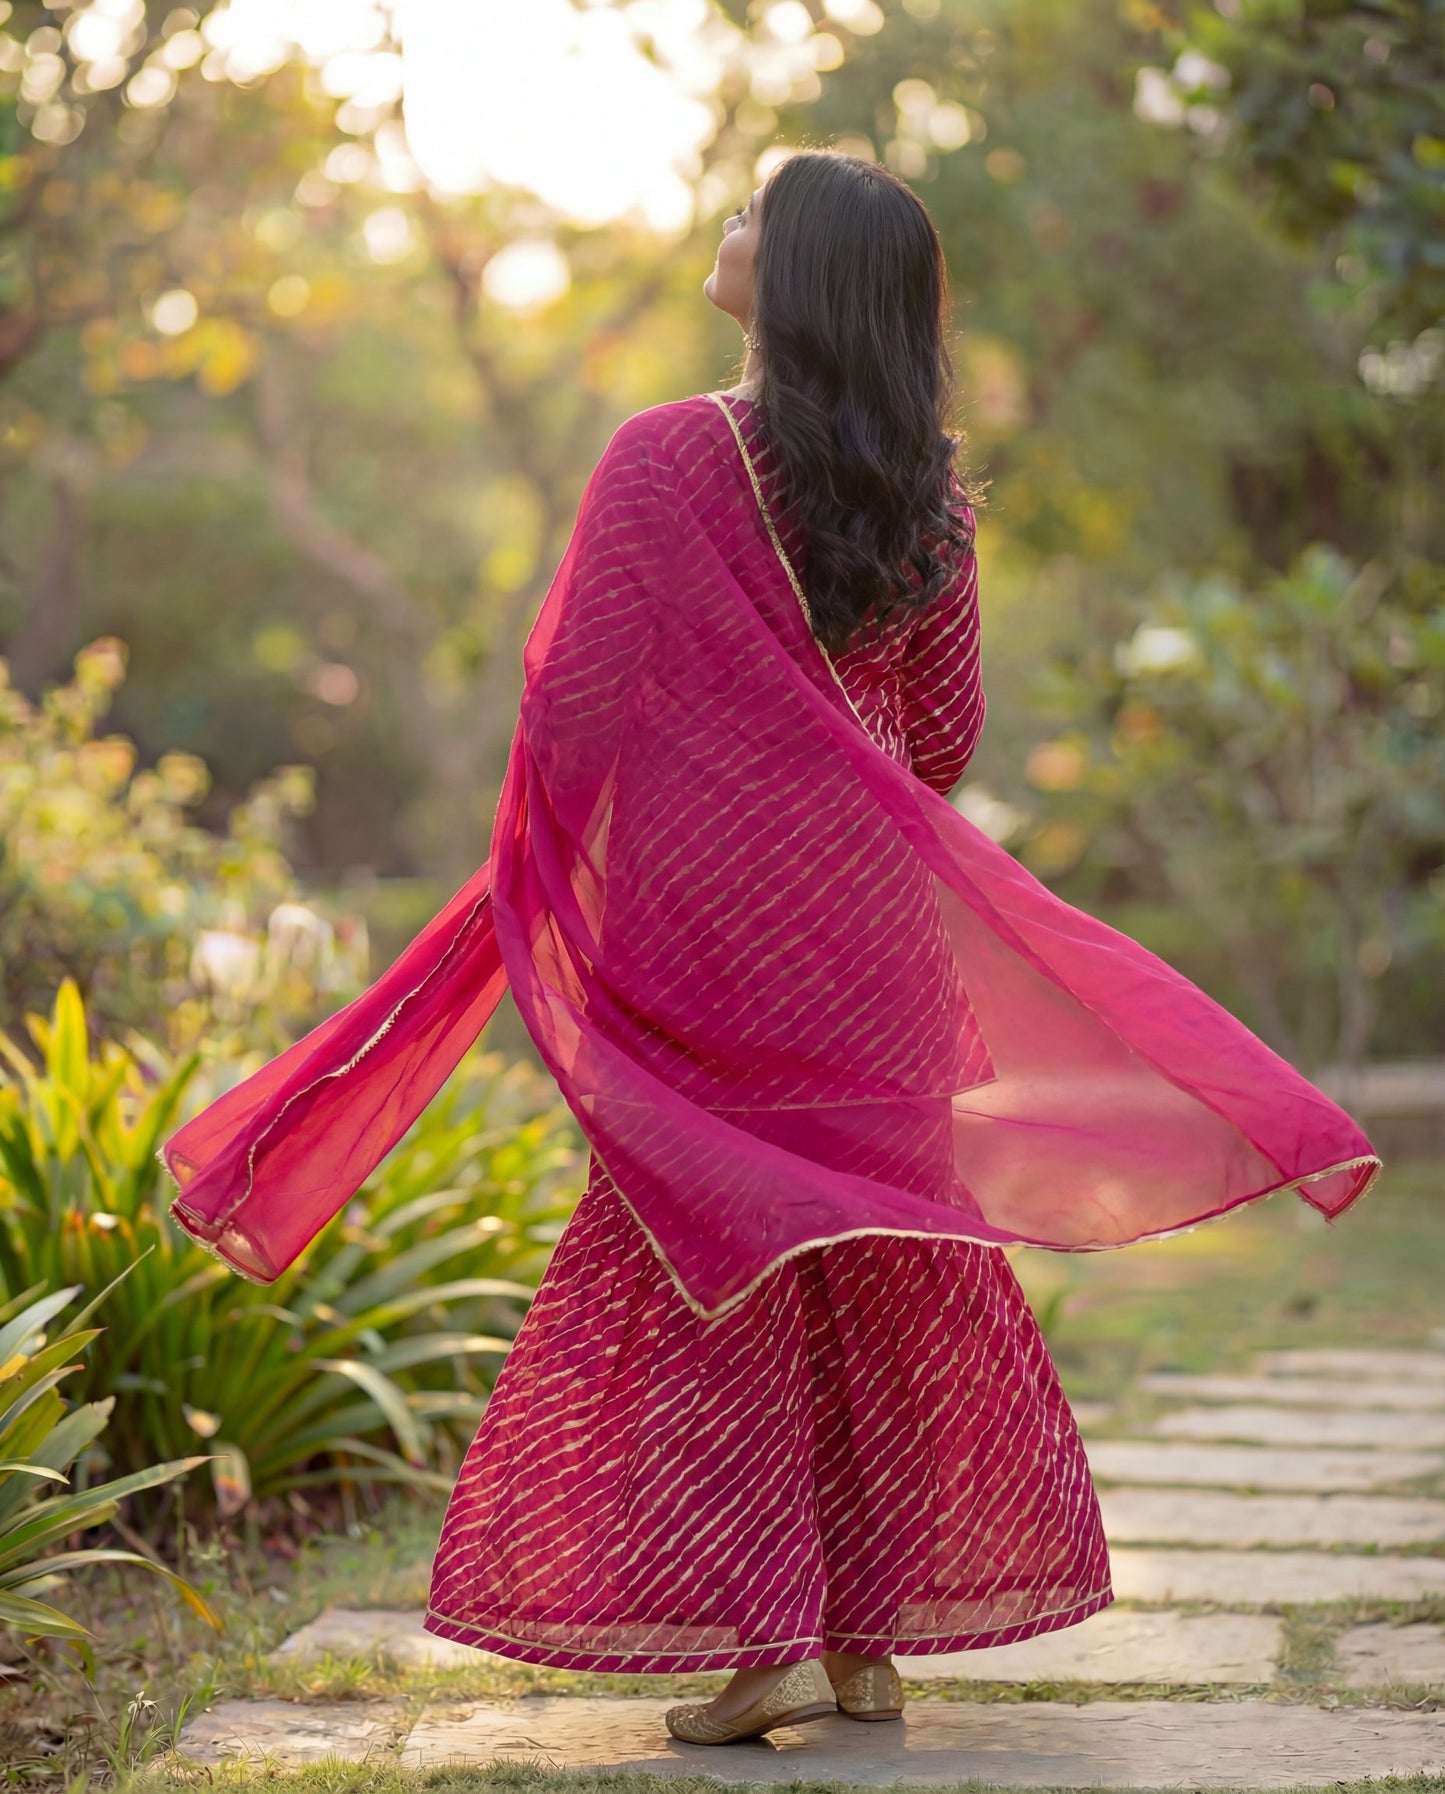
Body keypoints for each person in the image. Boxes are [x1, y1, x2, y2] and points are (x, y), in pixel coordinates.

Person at [162, 149, 1379, 1748]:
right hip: (873, 943)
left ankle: (760, 1646)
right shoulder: (926, 494)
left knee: (717, 1272)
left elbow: (580, 703)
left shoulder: (667, 457)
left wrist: (573, 878)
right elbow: (939, 735)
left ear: (791, 275)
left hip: (707, 941)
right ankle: (867, 1644)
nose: (723, 235)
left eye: (749, 215)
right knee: (875, 1258)